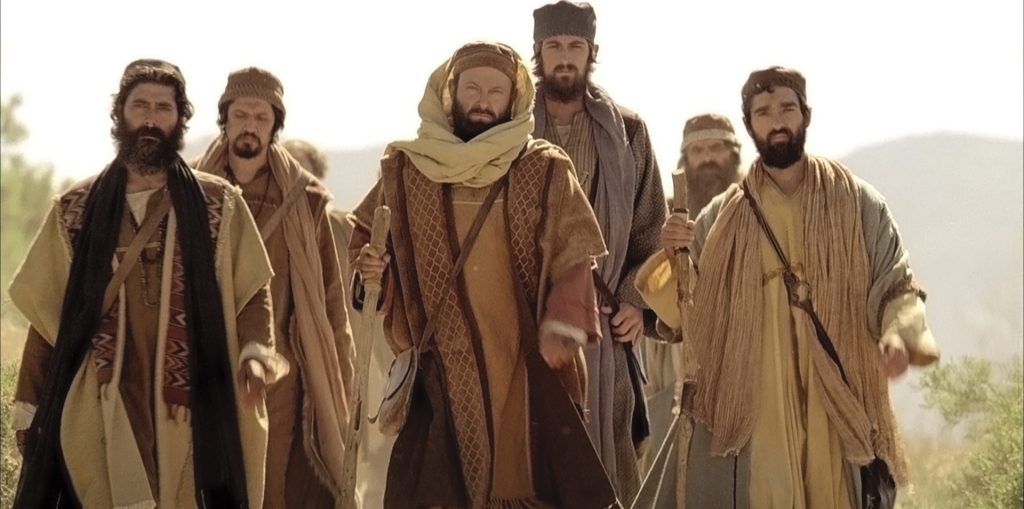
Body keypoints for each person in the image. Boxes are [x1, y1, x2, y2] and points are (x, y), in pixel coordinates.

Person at [637, 66, 941, 507]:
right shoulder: (721, 218)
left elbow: (897, 285)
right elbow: (687, 311)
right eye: (763, 112)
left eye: (786, 109)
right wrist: (671, 256)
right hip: (758, 409)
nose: (776, 121)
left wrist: (898, 335)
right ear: (750, 126)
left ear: (805, 115)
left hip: (837, 403)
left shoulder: (858, 202)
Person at [351, 41, 618, 508]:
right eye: (471, 88)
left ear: (513, 100)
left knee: (527, 482)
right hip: (441, 365)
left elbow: (575, 255)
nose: (482, 101)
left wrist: (564, 323)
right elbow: (368, 243)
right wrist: (373, 271)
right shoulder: (407, 170)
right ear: (450, 93)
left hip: (523, 362)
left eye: (495, 91)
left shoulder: (545, 168)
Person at [9, 58, 282, 508]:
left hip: (191, 405)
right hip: (102, 400)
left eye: (163, 108)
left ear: (180, 119)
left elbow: (253, 294)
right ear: (121, 114)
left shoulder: (219, 205)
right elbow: (46, 318)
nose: (151, 119)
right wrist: (29, 403)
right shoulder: (74, 209)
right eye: (140, 106)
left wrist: (255, 355)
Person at [194, 68, 355, 509]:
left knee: (271, 488)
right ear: (225, 120)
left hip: (281, 372)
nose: (250, 125)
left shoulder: (306, 201)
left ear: (275, 124)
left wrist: (343, 380)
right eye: (241, 115)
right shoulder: (191, 191)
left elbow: (330, 302)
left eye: (261, 117)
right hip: (203, 365)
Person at [530, 1, 668, 501]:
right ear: (538, 53)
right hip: (530, 323)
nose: (565, 57)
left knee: (609, 462)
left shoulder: (627, 131)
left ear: (591, 51)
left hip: (605, 331)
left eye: (575, 46)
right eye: (554, 46)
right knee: (532, 459)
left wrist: (634, 302)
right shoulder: (510, 130)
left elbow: (651, 232)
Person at [282, 138, 394, 508]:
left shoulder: (340, 227)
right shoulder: (269, 226)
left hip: (349, 357)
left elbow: (366, 296)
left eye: (304, 171)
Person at [641, 113, 745, 478]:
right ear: (686, 159)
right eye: (698, 151)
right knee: (674, 466)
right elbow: (649, 281)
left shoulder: (753, 208)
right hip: (676, 351)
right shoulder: (666, 214)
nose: (708, 158)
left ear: (733, 154)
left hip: (738, 347)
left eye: (716, 148)